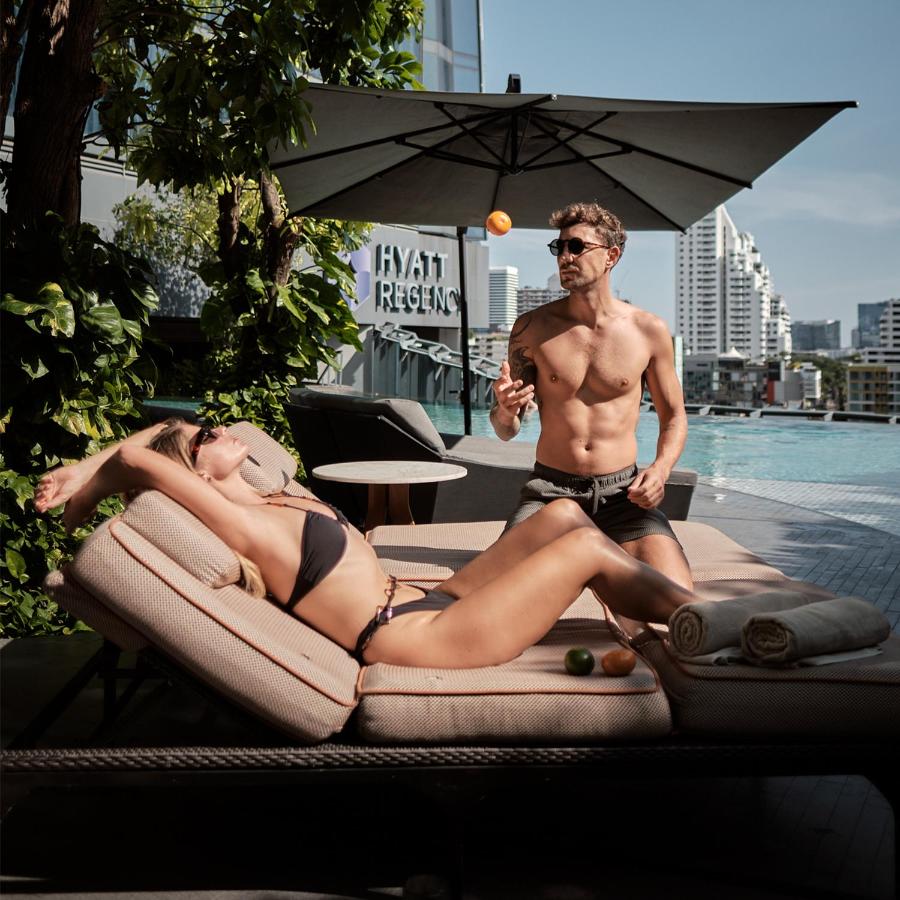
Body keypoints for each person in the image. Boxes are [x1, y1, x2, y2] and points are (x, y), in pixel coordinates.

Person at [35, 419, 697, 669]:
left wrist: (113, 459)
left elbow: (170, 436)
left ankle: (675, 621)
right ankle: (704, 624)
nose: (217, 429)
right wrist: (90, 478)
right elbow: (143, 461)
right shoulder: (245, 527)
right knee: (583, 552)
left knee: (561, 516)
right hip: (414, 637)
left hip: (425, 600)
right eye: (203, 439)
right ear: (194, 474)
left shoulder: (266, 494)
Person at [490, 201, 693, 595]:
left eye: (577, 247)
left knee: (677, 599)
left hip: (624, 497)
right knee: (499, 592)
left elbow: (674, 418)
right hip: (550, 493)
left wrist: (661, 470)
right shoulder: (531, 328)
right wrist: (504, 410)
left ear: (611, 256)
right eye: (560, 247)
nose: (565, 257)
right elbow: (506, 430)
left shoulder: (648, 331)